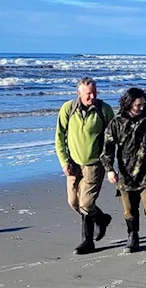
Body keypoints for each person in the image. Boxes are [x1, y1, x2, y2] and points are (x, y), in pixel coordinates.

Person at [101, 87, 146, 254]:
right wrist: (109, 170)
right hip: (126, 175)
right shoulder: (116, 122)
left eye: (144, 103)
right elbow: (107, 148)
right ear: (128, 103)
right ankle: (132, 237)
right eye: (138, 105)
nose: (142, 107)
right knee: (129, 210)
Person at [54, 77, 115, 255]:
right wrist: (64, 161)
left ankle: (87, 242)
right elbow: (59, 137)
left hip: (95, 164)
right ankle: (102, 219)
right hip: (73, 165)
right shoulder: (68, 109)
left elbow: (113, 138)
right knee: (73, 202)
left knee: (86, 203)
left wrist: (110, 164)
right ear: (78, 93)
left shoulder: (104, 110)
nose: (92, 96)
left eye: (95, 92)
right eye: (88, 93)